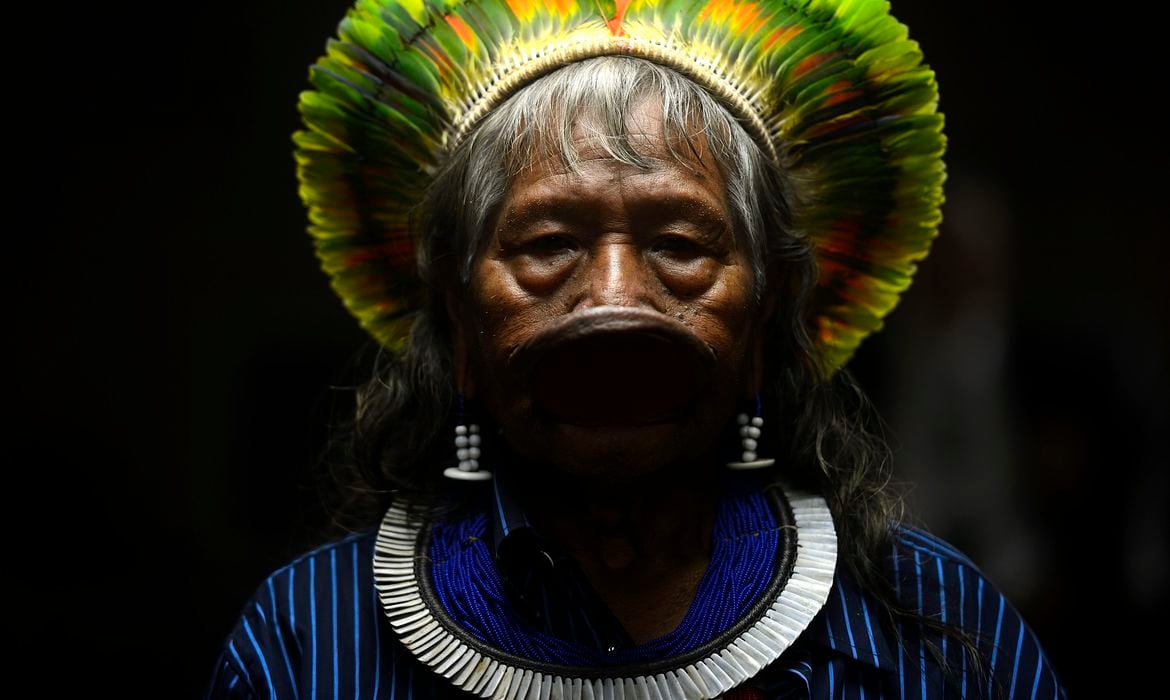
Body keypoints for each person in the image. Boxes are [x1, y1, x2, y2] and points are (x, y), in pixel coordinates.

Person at [207, 1, 1065, 698]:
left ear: (765, 320)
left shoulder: (938, 623)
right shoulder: (306, 639)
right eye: (547, 243)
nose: (615, 299)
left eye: (680, 245)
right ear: (459, 324)